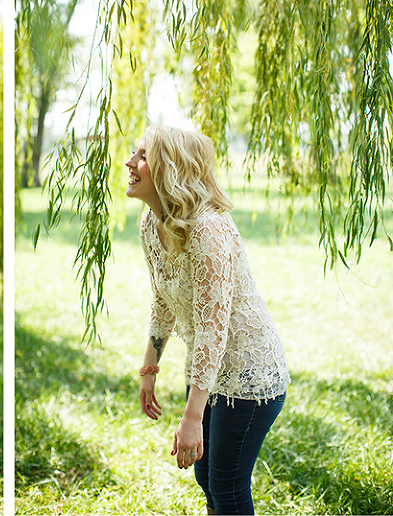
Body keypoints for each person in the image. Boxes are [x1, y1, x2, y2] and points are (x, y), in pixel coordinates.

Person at [129, 126, 290, 515]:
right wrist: (149, 368)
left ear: (169, 168)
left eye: (143, 156)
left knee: (227, 487)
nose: (130, 163)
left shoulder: (208, 230)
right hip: (207, 370)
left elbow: (212, 331)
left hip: (249, 372)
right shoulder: (151, 224)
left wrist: (191, 417)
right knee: (206, 479)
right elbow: (163, 299)